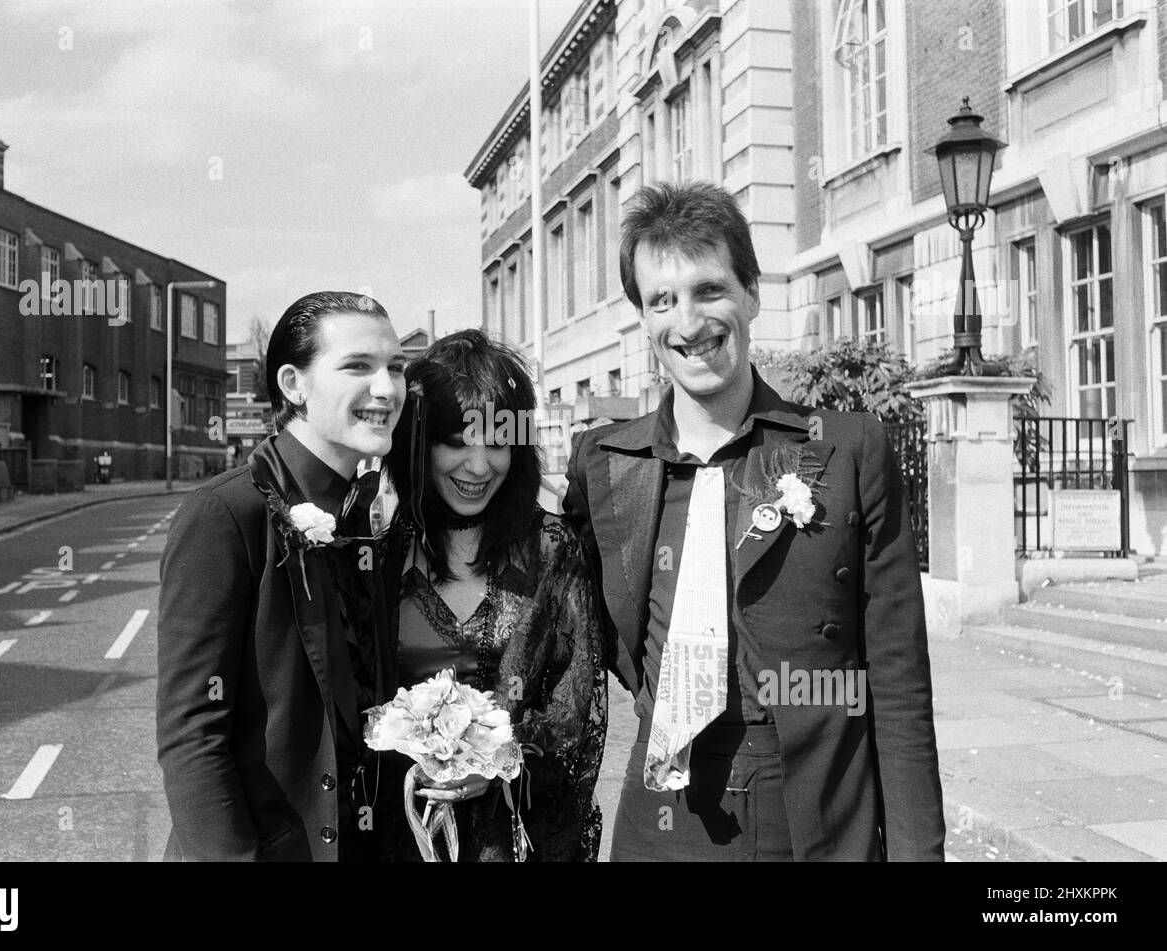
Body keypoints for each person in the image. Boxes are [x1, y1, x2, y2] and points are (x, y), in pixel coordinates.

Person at [563, 182, 945, 861]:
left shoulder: (848, 448)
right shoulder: (602, 464)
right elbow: (585, 621)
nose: (688, 323)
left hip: (817, 814)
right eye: (662, 300)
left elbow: (897, 680)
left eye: (709, 290)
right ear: (643, 318)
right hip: (661, 819)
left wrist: (918, 853)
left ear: (751, 294)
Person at [157, 291, 406, 861]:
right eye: (358, 366)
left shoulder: (368, 512)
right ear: (293, 384)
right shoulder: (226, 513)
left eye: (396, 367)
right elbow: (192, 732)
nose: (387, 388)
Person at [378, 329, 607, 862]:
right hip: (404, 834)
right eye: (456, 442)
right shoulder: (383, 555)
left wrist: (498, 757)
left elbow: (575, 709)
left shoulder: (552, 549)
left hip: (519, 841)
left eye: (498, 442)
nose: (479, 467)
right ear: (417, 444)